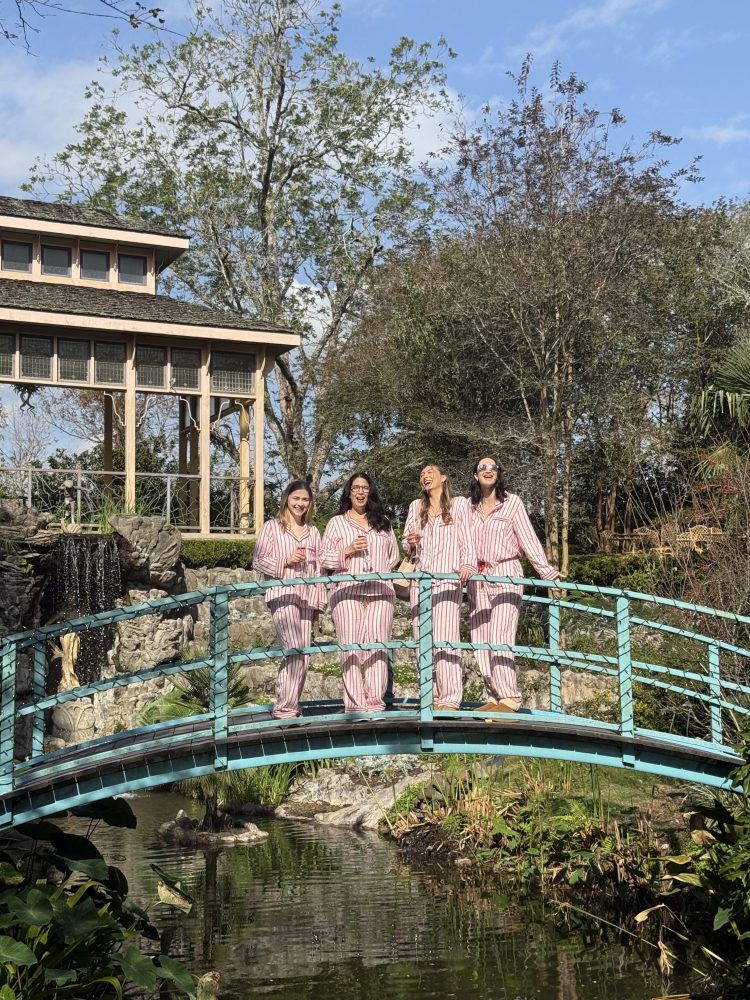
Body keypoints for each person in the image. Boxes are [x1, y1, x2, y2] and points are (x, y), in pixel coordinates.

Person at [466, 457, 562, 713]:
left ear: (499, 473)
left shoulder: (512, 503)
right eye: (482, 468)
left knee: (500, 635)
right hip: (478, 576)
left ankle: (509, 697)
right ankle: (493, 697)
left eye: (493, 468)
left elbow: (529, 539)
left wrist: (547, 572)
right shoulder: (468, 507)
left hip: (506, 572)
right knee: (481, 638)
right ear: (475, 476)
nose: (488, 471)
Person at [321, 472, 399, 713]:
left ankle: (375, 702)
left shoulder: (383, 522)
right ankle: (355, 704)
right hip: (347, 591)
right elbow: (323, 558)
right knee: (351, 647)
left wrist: (379, 568)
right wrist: (348, 550)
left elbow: (394, 555)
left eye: (365, 487)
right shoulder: (337, 523)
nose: (361, 492)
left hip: (380, 592)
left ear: (371, 492)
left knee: (377, 646)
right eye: (356, 487)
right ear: (349, 492)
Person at [403, 464, 476, 710]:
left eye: (429, 471)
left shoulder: (459, 505)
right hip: (420, 582)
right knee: (421, 639)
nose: (425, 475)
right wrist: (411, 543)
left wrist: (467, 564)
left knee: (446, 638)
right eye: (421, 473)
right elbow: (406, 544)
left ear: (443, 477)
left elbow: (467, 536)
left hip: (447, 580)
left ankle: (450, 698)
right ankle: (429, 697)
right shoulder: (415, 506)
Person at [252, 480, 326, 719]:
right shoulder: (272, 527)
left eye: (305, 499)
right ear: (287, 499)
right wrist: (285, 560)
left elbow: (318, 570)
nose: (300, 503)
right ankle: (284, 707)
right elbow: (259, 560)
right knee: (293, 648)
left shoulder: (313, 532)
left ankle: (291, 705)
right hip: (282, 594)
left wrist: (318, 603)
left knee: (303, 653)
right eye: (296, 498)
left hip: (306, 598)